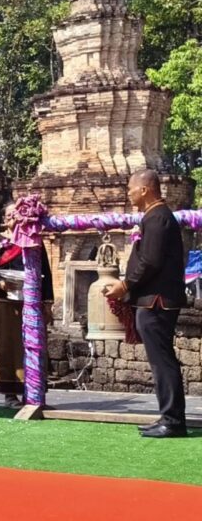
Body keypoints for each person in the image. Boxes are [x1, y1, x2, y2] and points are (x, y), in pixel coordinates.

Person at [104, 169, 188, 438]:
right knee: (159, 360)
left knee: (162, 361)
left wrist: (125, 285)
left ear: (144, 190)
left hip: (157, 302)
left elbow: (150, 261)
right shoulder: (154, 217)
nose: (128, 193)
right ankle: (168, 415)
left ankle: (173, 420)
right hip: (151, 300)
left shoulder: (158, 218)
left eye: (130, 188)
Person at [0, 202, 53, 409]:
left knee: (34, 345)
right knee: (8, 346)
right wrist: (0, 283)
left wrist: (48, 303)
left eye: (17, 214)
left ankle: (34, 394)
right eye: (10, 215)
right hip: (4, 300)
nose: (14, 218)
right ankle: (10, 394)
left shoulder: (34, 241)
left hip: (31, 301)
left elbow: (46, 273)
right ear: (4, 220)